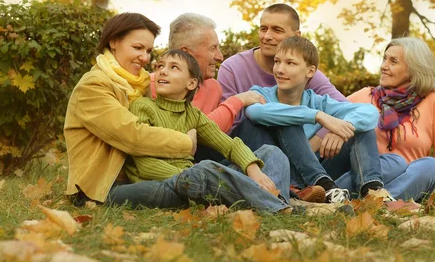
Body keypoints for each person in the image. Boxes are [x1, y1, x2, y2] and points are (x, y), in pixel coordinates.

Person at [64, 13, 292, 213]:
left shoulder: (137, 86)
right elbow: (133, 137)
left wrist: (250, 167)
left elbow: (223, 141)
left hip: (167, 178)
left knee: (271, 153)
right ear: (114, 42)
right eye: (137, 48)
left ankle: (272, 199)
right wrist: (186, 144)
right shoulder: (94, 86)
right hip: (105, 189)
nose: (145, 58)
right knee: (201, 174)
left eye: (148, 51)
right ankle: (276, 206)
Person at [125, 49, 292, 206]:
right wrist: (194, 177)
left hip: (197, 180)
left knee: (272, 152)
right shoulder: (143, 106)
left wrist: (252, 169)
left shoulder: (193, 115)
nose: (162, 71)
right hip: (162, 185)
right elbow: (145, 165)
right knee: (205, 169)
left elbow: (229, 145)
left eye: (173, 67)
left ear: (191, 83)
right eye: (160, 66)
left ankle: (278, 201)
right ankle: (272, 204)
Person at [243, 37, 385, 203]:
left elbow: (370, 112)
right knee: (288, 120)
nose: (280, 69)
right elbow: (255, 113)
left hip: (317, 169)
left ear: (310, 71)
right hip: (278, 174)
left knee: (362, 129)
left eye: (290, 63)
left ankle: (373, 192)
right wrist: (317, 116)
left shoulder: (318, 101)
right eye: (277, 62)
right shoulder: (261, 94)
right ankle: (324, 187)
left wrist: (340, 130)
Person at [217, 4, 347, 156]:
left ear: (296, 36)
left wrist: (327, 134)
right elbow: (229, 126)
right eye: (263, 29)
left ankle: (369, 179)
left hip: (301, 153)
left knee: (353, 135)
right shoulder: (232, 68)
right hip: (249, 155)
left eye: (277, 30)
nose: (266, 36)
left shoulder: (307, 72)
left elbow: (346, 109)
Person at [348, 37, 435, 202]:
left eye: (393, 61)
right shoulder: (364, 96)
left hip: (407, 184)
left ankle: (380, 203)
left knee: (431, 166)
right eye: (384, 59)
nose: (383, 66)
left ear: (414, 69)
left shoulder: (434, 101)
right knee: (391, 163)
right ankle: (367, 200)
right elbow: (324, 119)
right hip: (362, 181)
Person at [149, 13, 265, 134]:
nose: (220, 57)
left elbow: (217, 139)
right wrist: (238, 100)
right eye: (212, 48)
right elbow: (188, 132)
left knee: (252, 128)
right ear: (186, 53)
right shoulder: (156, 84)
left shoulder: (213, 88)